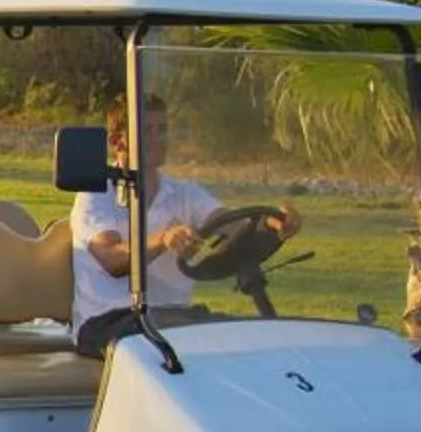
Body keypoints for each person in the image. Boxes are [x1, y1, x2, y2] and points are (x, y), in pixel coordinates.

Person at [71, 93, 300, 356]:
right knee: (190, 344)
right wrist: (164, 239)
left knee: (248, 338)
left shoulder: (183, 194)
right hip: (106, 323)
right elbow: (111, 258)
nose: (159, 139)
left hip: (172, 319)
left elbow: (230, 224)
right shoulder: (96, 192)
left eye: (163, 130)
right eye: (147, 131)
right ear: (116, 142)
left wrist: (275, 224)